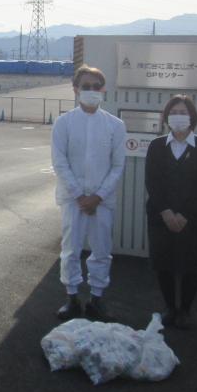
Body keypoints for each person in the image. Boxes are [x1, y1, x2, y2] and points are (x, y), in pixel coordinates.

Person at [51, 65, 126, 321]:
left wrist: (98, 196)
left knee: (102, 249)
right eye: (86, 87)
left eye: (96, 86)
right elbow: (59, 162)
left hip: (102, 201)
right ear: (75, 89)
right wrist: (80, 195)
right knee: (71, 249)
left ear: (103, 90)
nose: (91, 91)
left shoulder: (116, 126)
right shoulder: (63, 123)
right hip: (73, 200)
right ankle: (71, 297)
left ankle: (96, 298)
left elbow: (117, 166)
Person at [145, 95, 197, 329]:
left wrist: (184, 214)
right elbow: (152, 182)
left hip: (192, 217)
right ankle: (169, 307)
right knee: (163, 263)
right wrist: (165, 212)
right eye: (173, 111)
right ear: (166, 117)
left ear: (192, 117)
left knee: (189, 265)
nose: (178, 116)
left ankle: (184, 309)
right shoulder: (156, 146)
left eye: (183, 112)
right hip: (160, 216)